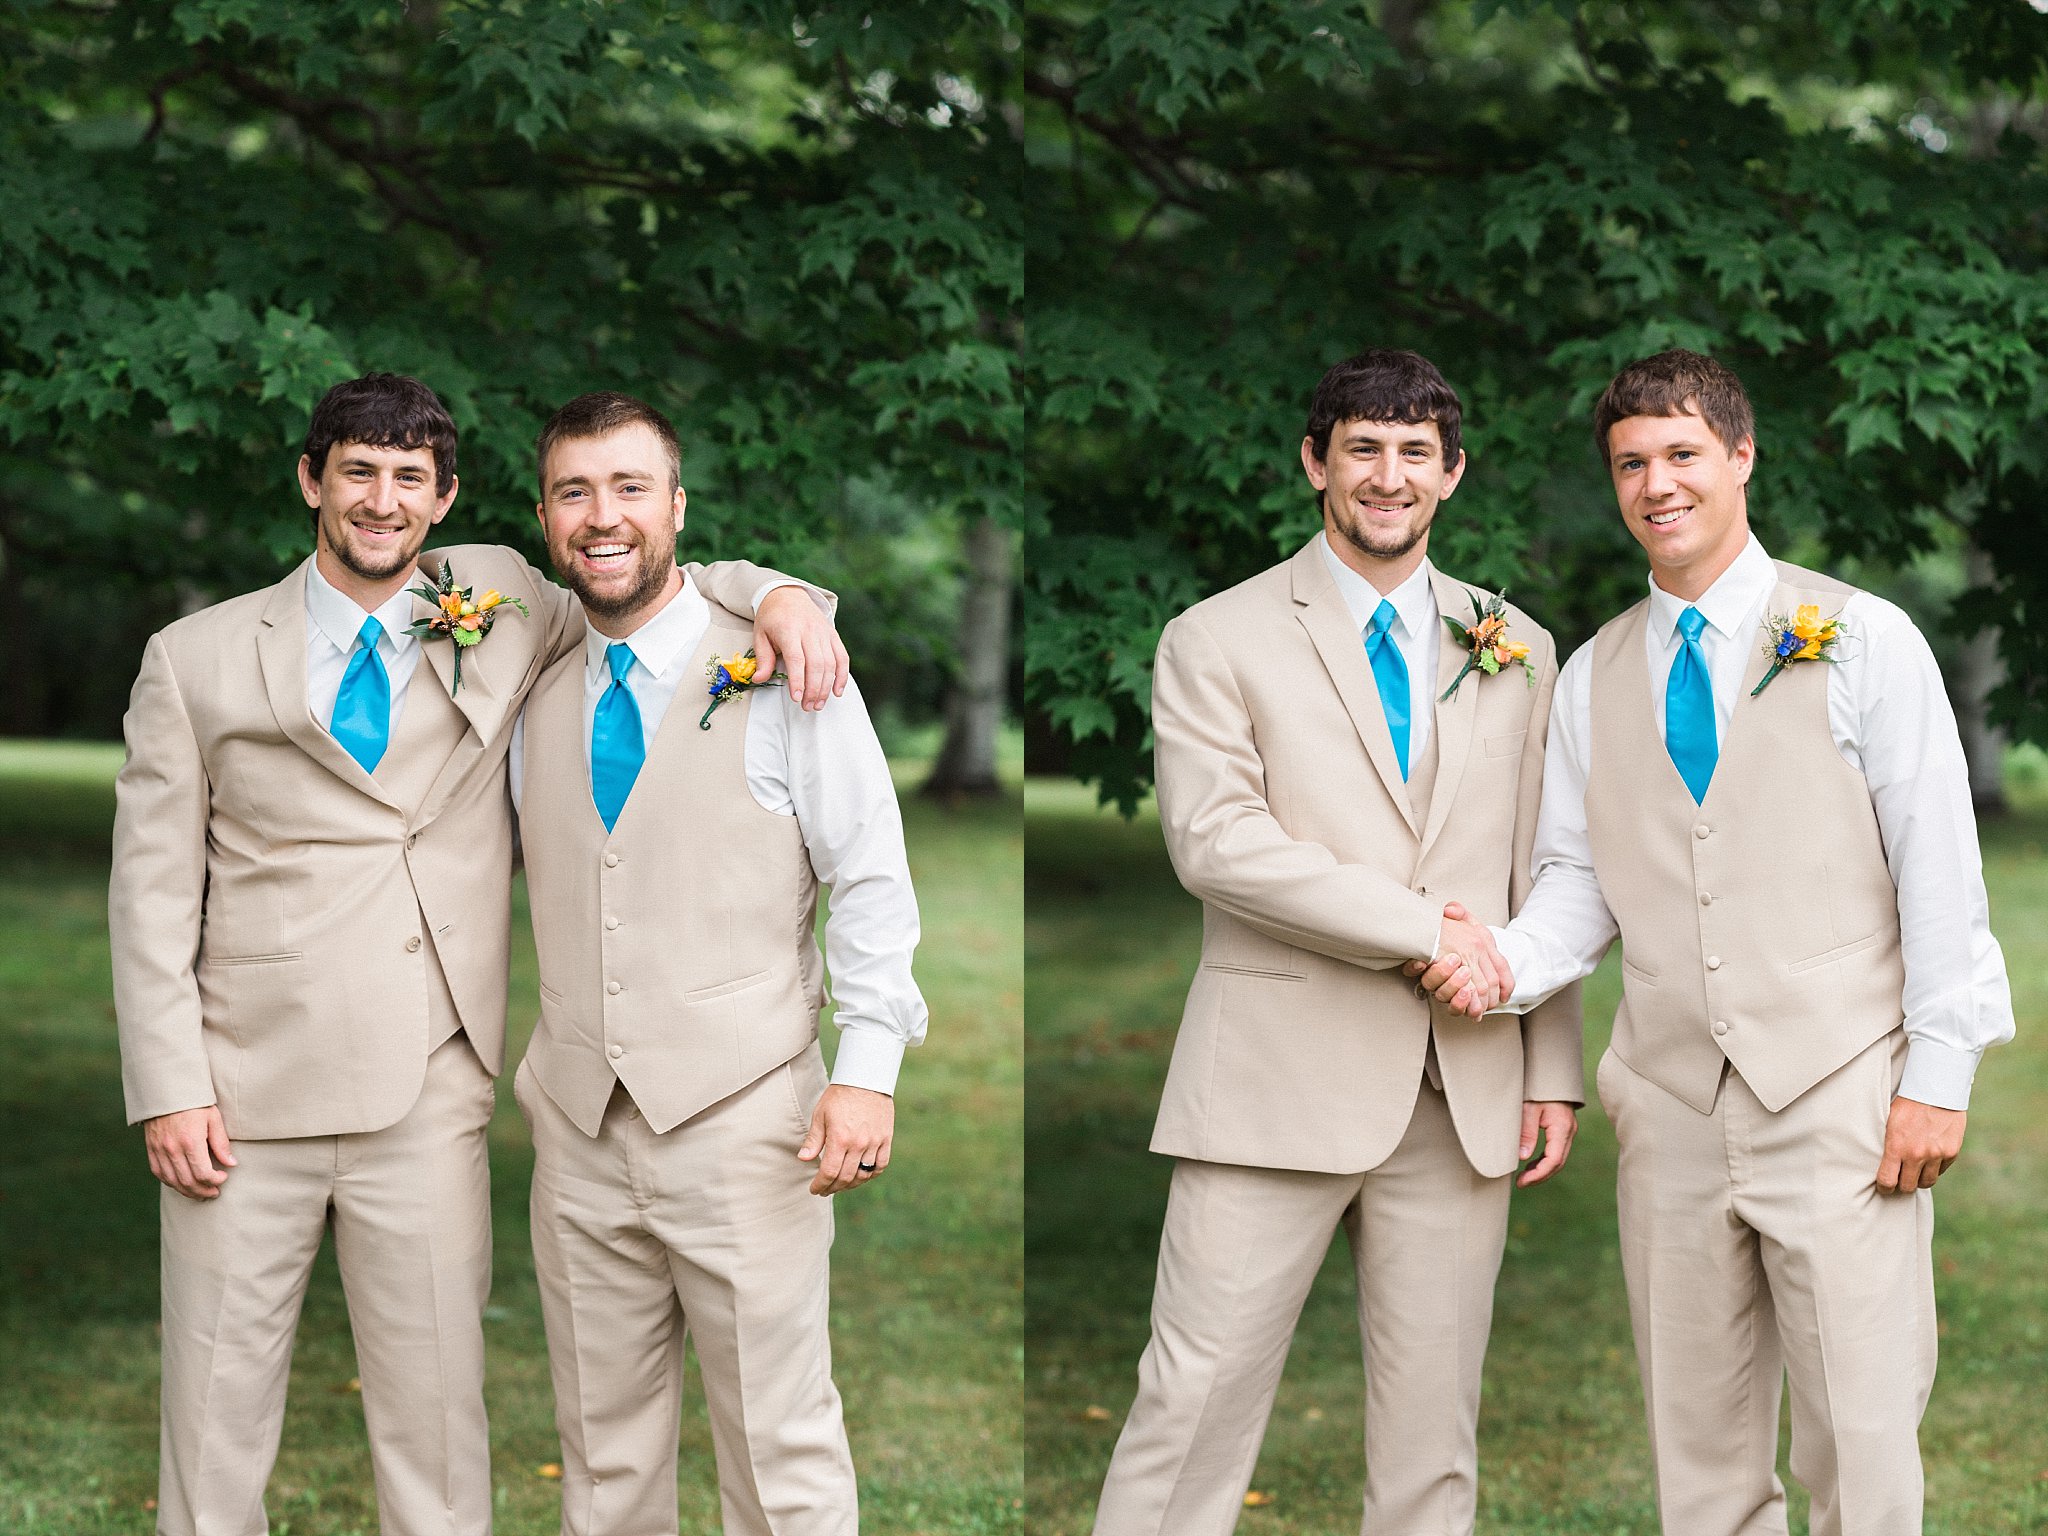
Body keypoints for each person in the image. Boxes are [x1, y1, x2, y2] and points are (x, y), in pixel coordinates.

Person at [108, 372, 843, 1536]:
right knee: (212, 1414)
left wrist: (789, 596)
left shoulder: (500, 598)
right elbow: (148, 899)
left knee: (439, 1428)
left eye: (409, 478)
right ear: (312, 481)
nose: (381, 501)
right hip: (239, 1094)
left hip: (431, 1084)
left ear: (446, 499)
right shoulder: (193, 659)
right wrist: (169, 1087)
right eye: (357, 471)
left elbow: (647, 582)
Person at [1419, 348, 2015, 1535]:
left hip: (1841, 1094)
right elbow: (1580, 881)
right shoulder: (1589, 674)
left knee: (1859, 1433)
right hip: (1674, 1104)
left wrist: (1936, 1079)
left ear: (1739, 457)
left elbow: (1938, 872)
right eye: (1631, 463)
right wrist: (1496, 961)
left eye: (1682, 454)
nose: (1657, 484)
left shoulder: (1860, 636)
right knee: (1696, 1444)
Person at [1090, 350, 1583, 1536]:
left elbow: (1542, 867)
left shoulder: (1515, 643)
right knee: (1190, 1404)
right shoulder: (1215, 637)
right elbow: (1218, 844)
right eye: (1362, 447)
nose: (1387, 474)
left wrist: (1550, 1067)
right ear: (1315, 461)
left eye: (1415, 452)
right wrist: (1426, 932)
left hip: (1461, 1080)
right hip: (1271, 1078)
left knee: (1432, 1437)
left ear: (1451, 475)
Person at [506, 391, 926, 1536]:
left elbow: (872, 875)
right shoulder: (521, 679)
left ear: (679, 507)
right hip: (581, 1132)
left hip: (748, 1125)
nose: (603, 517)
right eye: (574, 491)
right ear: (544, 519)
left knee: (778, 1447)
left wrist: (868, 1069)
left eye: (631, 488)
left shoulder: (786, 667)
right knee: (601, 1460)